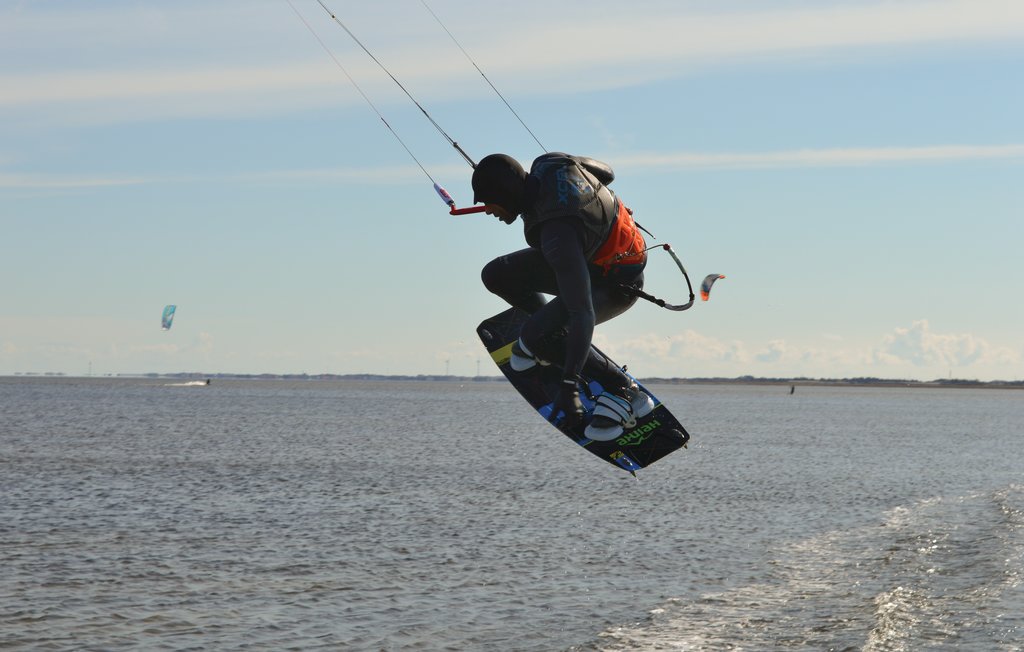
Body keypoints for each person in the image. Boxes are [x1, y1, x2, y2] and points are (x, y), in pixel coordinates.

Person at [472, 152, 655, 440]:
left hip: (617, 285)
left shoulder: (557, 233)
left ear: (505, 195)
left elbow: (582, 313)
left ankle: (624, 390)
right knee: (496, 275)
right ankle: (548, 335)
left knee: (536, 336)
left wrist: (569, 385)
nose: (486, 211)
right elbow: (606, 174)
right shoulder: (551, 164)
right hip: (589, 258)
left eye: (488, 203)